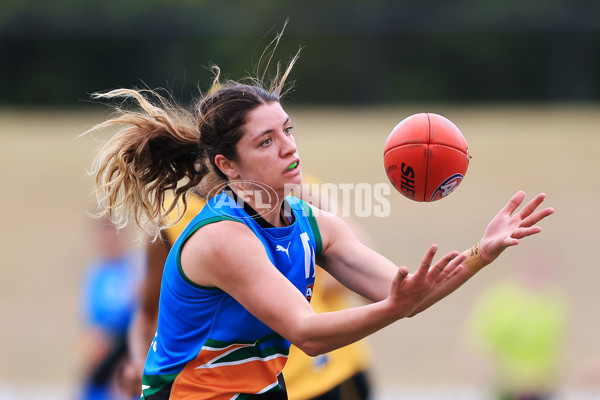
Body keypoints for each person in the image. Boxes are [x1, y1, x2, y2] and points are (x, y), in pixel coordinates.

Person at [84, 46, 554, 399]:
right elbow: (306, 333)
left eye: (287, 130)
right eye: (265, 141)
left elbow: (406, 292)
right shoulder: (221, 238)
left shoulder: (314, 224)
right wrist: (395, 306)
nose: (288, 146)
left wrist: (481, 253)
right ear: (228, 165)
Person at [119, 177, 374, 400]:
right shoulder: (174, 216)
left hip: (326, 375)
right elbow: (147, 313)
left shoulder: (292, 189)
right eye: (264, 140)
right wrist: (140, 362)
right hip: (247, 388)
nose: (285, 147)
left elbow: (359, 263)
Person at [463, 250, 568, 400]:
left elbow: (555, 347)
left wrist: (545, 378)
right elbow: (480, 340)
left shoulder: (555, 301)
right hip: (505, 386)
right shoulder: (500, 299)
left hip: (540, 386)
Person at [78, 217, 144, 400]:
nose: (110, 239)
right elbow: (91, 324)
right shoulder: (95, 274)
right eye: (106, 233)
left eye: (115, 232)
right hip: (105, 352)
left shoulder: (136, 268)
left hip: (129, 348)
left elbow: (143, 314)